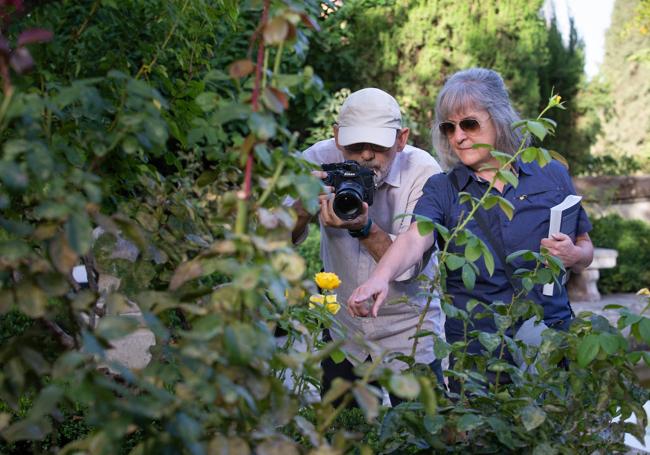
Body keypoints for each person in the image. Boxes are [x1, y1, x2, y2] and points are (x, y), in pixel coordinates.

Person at [347, 68, 594, 386]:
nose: (458, 137)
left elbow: (585, 247)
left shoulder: (552, 174)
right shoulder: (443, 188)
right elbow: (415, 237)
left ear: (499, 118)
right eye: (449, 127)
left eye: (469, 124)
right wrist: (379, 278)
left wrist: (574, 254)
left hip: (547, 344)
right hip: (478, 355)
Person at [291, 88, 444, 404]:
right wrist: (302, 207)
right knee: (342, 435)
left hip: (410, 332)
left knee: (422, 436)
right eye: (355, 145)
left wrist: (363, 228)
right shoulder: (316, 161)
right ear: (336, 138)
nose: (365, 156)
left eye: (377, 145)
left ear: (401, 139)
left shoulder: (424, 172)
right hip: (344, 331)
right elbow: (273, 239)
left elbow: (409, 267)